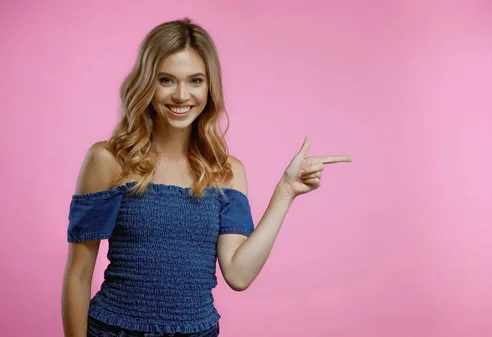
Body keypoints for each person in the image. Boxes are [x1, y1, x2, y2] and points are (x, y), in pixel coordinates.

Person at [60, 17, 351, 337]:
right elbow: (78, 274)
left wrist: (285, 192)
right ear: (146, 83)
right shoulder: (108, 160)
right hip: (115, 330)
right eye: (166, 80)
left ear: (210, 87)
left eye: (195, 80)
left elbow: (239, 275)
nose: (181, 95)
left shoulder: (227, 171)